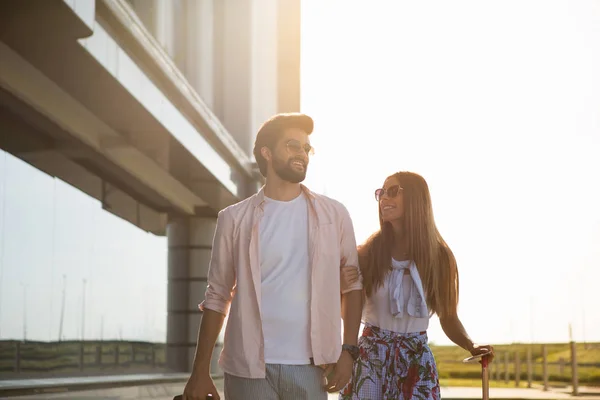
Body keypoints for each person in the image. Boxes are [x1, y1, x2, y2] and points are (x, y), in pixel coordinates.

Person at [182, 113, 364, 400]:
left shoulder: (334, 215)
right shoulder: (233, 219)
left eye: (306, 148)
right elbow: (217, 296)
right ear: (267, 152)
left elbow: (353, 286)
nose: (302, 154)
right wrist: (199, 371)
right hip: (248, 368)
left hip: (311, 367)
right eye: (293, 145)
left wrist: (349, 351)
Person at [339, 171, 495, 400]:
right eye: (381, 192)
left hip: (415, 359)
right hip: (370, 358)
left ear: (415, 199)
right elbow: (348, 310)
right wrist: (341, 289)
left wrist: (471, 345)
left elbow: (448, 317)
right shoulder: (368, 252)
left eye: (392, 191)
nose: (384, 198)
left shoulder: (440, 258)